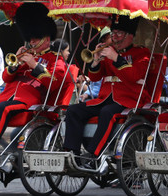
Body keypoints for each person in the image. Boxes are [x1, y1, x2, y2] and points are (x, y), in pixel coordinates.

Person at [0, 3, 66, 164]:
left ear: (47, 38)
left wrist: (34, 65)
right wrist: (15, 65)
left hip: (28, 102)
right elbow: (5, 77)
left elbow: (54, 83)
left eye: (36, 38)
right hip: (6, 97)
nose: (32, 41)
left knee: (5, 108)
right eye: (30, 38)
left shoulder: (54, 59)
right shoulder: (25, 53)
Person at [63, 16, 152, 161]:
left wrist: (116, 58)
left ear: (130, 36)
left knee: (107, 112)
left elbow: (134, 76)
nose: (114, 37)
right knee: (73, 110)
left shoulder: (142, 53)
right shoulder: (109, 53)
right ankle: (72, 153)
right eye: (113, 33)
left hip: (129, 99)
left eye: (119, 33)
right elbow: (96, 77)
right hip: (105, 98)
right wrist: (96, 60)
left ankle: (94, 154)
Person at [79, 27, 110, 102]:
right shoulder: (102, 59)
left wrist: (87, 93)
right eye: (103, 39)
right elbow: (95, 80)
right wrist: (96, 61)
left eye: (107, 37)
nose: (104, 41)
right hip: (100, 96)